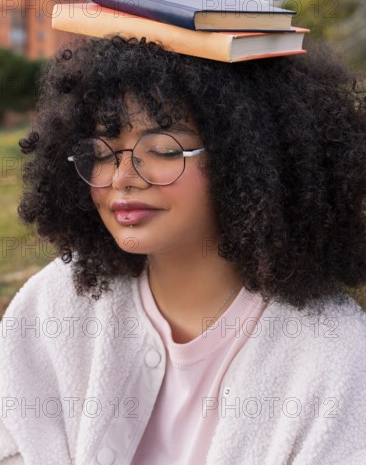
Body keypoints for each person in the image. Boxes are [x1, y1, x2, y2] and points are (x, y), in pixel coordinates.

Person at [0, 35, 366, 465]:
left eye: (163, 150)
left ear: (249, 158)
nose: (122, 177)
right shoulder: (55, 305)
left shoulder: (335, 355)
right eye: (100, 152)